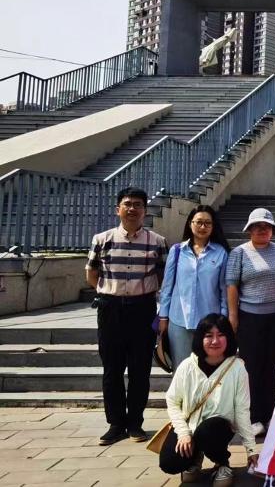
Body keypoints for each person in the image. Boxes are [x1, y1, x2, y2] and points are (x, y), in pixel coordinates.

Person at [86, 186, 168, 446]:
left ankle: (135, 423)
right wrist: (110, 293)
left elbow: (162, 276)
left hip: (142, 309)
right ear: (118, 209)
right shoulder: (102, 239)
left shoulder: (157, 242)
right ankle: (115, 424)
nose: (132, 209)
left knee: (140, 369)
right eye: (128, 204)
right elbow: (91, 274)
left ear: (145, 210)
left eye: (138, 205)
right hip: (110, 309)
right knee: (112, 369)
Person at [160, 314, 257, 486]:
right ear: (200, 338)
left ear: (229, 338)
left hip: (218, 428)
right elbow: (172, 401)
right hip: (190, 426)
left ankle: (222, 462)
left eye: (221, 335)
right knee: (170, 462)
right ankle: (195, 457)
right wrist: (183, 433)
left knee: (208, 431)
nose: (215, 341)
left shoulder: (237, 368)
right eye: (209, 336)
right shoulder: (187, 366)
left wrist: (251, 449)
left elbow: (242, 410)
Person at [226, 208, 275, 437]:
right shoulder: (239, 253)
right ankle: (253, 417)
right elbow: (231, 285)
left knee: (270, 367)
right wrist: (233, 316)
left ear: (273, 230)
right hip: (249, 318)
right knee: (251, 368)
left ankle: (269, 415)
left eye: (266, 226)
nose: (262, 230)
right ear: (249, 229)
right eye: (257, 226)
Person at [158, 205, 230, 369]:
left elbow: (224, 291)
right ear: (190, 223)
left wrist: (223, 320)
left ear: (213, 226)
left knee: (208, 370)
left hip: (210, 323)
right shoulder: (177, 251)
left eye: (207, 223)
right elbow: (167, 287)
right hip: (179, 321)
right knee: (181, 370)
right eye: (199, 222)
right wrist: (163, 318)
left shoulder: (221, 253)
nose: (203, 227)